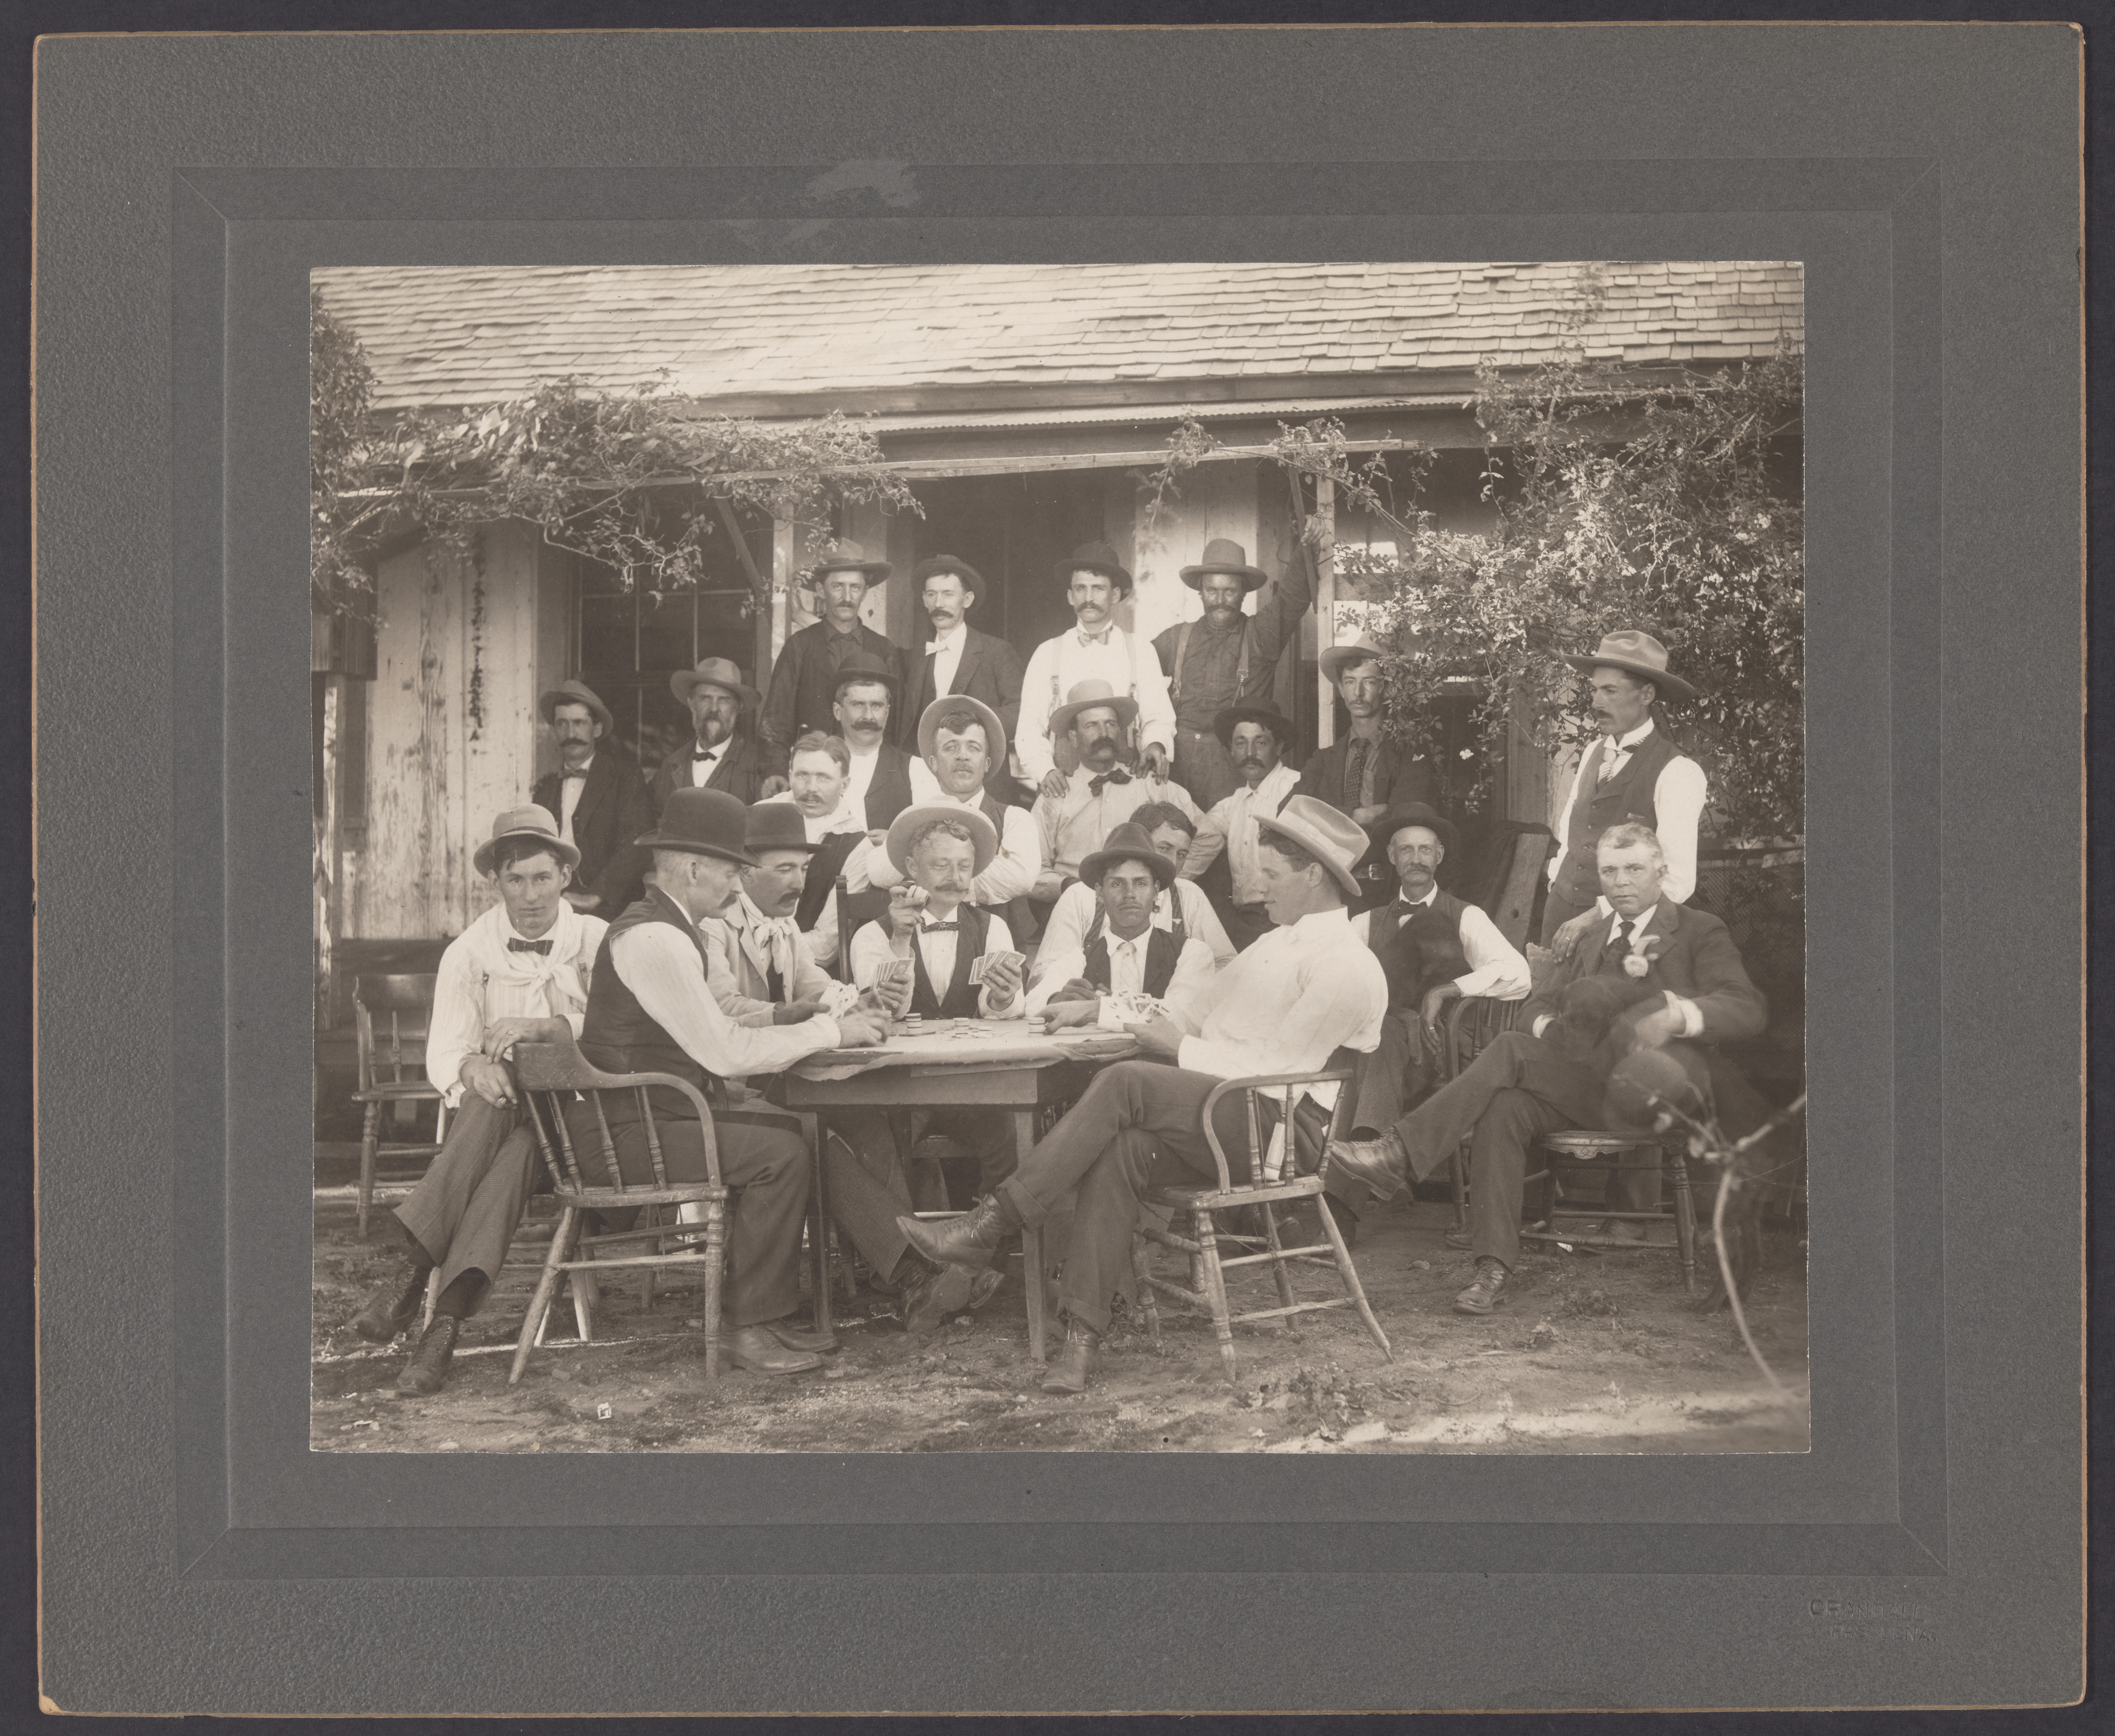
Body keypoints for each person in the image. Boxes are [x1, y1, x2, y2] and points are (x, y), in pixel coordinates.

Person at [897, 797, 1387, 1396]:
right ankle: (1080, 1340)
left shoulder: (1345, 964)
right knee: (1122, 1149)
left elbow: (1277, 1069)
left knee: (1128, 1081)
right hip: (1221, 1114)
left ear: (1314, 875)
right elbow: (1187, 1010)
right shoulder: (1273, 945)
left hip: (1278, 1131)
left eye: (1273, 875)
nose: (1258, 889)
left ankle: (989, 1225)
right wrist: (1104, 1008)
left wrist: (1179, 1049)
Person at [1323, 823, 1766, 1317]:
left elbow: (1745, 1007)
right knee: (1504, 1105)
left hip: (1659, 1090)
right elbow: (1536, 1003)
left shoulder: (1699, 929)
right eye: (1609, 871)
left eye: (1634, 869)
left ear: (1661, 871)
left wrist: (1678, 1015)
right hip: (1587, 1087)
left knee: (1510, 1049)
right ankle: (1492, 1268)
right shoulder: (1591, 937)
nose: (1621, 882)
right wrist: (1549, 1029)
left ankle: (1401, 1151)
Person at [574, 787, 891, 1373]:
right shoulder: (656, 938)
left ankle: (763, 1319)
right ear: (693, 868)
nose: (736, 886)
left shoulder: (674, 928)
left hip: (658, 1116)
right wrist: (832, 1035)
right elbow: (724, 1050)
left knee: (797, 1135)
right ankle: (746, 1329)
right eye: (729, 872)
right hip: (628, 1133)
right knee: (780, 1154)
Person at [701, 803, 991, 1333]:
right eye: (783, 869)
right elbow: (722, 1008)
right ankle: (912, 1270)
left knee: (871, 1119)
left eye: (802, 869)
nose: (797, 881)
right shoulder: (715, 928)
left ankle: (905, 1275)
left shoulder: (782, 927)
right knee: (816, 1137)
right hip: (730, 1088)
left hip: (783, 1076)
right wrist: (797, 1015)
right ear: (744, 870)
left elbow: (821, 988)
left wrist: (860, 998)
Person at [348, 806, 608, 1396]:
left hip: (584, 1123)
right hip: (511, 1128)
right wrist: (472, 1067)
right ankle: (443, 1327)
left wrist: (547, 1027)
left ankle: (413, 1274)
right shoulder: (469, 952)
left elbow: (622, 1033)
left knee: (508, 1130)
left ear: (565, 877)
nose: (531, 894)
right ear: (495, 882)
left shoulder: (597, 941)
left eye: (543, 878)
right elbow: (445, 1052)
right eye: (516, 880)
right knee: (498, 1125)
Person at [1326, 803, 1531, 1242]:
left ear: (1439, 857)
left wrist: (1446, 991)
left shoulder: (1466, 916)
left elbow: (1518, 973)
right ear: (1392, 859)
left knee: (1363, 1058)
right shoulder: (1364, 923)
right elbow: (1331, 972)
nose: (1415, 858)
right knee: (1366, 1046)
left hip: (1442, 1053)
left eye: (1424, 850)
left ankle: (1343, 1205)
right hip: (1384, 1045)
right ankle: (1372, 1167)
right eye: (1405, 851)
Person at [1540, 628, 1708, 953]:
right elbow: (1569, 837)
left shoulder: (1678, 772)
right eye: (1595, 691)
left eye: (1610, 691)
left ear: (1646, 695)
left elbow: (1676, 881)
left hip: (1623, 935)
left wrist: (1596, 916)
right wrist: (1555, 886)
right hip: (1559, 922)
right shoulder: (1592, 753)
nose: (1596, 702)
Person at [1152, 539, 1311, 809]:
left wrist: (1307, 547)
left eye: (1230, 591)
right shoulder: (1176, 638)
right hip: (1177, 764)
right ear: (1200, 592)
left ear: (1244, 592)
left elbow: (1292, 600)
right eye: (1212, 591)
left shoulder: (1261, 635)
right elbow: (1136, 676)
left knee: (1229, 839)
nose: (1220, 601)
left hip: (1234, 765)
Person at [1015, 541, 1177, 794]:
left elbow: (1159, 716)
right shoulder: (1047, 653)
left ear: (1115, 595)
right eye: (1081, 589)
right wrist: (1044, 770)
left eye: (1098, 589)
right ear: (1070, 596)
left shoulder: (1140, 650)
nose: (1088, 598)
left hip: (1129, 777)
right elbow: (1029, 727)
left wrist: (1156, 744)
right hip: (1065, 782)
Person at [1025, 822, 1219, 1031]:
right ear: (1099, 893)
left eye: (1140, 883)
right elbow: (1032, 1004)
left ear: (1156, 892)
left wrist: (1097, 1010)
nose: (1130, 894)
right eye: (1117, 884)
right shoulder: (1081, 958)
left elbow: (1182, 1015)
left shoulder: (1191, 952)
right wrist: (1056, 999)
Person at [1029, 680, 1202, 910]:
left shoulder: (1149, 784)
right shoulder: (1056, 795)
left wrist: (1167, 881)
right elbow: (1030, 871)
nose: (1104, 734)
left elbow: (1209, 837)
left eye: (1110, 724)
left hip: (1141, 911)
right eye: (1092, 726)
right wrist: (1069, 886)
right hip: (1076, 909)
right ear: (1073, 737)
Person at [881, 695, 1042, 914]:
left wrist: (930, 881)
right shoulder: (918, 817)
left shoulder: (1015, 818)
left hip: (997, 938)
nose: (963, 757)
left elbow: (1019, 876)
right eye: (951, 748)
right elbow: (879, 870)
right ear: (934, 763)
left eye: (974, 748)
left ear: (987, 763)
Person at [1034, 799, 1236, 970]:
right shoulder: (1080, 896)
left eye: (1182, 854)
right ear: (1138, 844)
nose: (1174, 864)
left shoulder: (1190, 896)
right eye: (1165, 848)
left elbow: (1227, 965)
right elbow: (1046, 970)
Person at [758, 541, 901, 784]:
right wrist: (775, 771)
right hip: (814, 772)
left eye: (855, 587)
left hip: (868, 771)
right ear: (821, 590)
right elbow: (776, 719)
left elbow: (895, 721)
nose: (847, 597)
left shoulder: (884, 649)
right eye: (837, 587)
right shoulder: (799, 646)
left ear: (865, 592)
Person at [896, 555, 1025, 801]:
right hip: (926, 782)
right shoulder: (913, 657)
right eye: (932, 595)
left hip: (983, 782)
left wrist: (972, 721)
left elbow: (1021, 711)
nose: (939, 603)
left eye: (948, 594)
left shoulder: (997, 651)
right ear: (924, 600)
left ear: (967, 600)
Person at [1178, 703, 1304, 951]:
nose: (1250, 753)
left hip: (1289, 922)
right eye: (1240, 743)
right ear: (1231, 751)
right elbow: (1198, 835)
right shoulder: (1232, 804)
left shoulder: (1296, 787)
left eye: (1261, 743)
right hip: (1246, 922)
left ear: (1279, 746)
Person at [756, 732, 884, 973]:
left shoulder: (857, 846)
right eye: (803, 775)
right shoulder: (759, 817)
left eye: (824, 778)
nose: (811, 788)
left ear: (844, 784)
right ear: (790, 774)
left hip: (808, 974)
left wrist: (757, 949)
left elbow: (826, 948)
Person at [527, 679, 652, 915]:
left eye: (579, 723)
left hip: (612, 906)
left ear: (597, 729)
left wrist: (597, 895)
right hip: (558, 905)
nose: (571, 733)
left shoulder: (625, 777)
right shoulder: (545, 789)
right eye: (562, 724)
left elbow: (639, 844)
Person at [1297, 633, 1437, 837]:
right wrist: (1357, 816)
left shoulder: (1411, 753)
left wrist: (1326, 817)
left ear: (1386, 688)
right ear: (1341, 689)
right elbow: (1290, 811)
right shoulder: (1323, 760)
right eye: (1351, 682)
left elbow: (1409, 818)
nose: (1358, 693)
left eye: (1369, 682)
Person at [652, 657, 765, 810]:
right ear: (692, 703)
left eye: (724, 700)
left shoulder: (758, 765)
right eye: (705, 698)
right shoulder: (671, 766)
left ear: (738, 707)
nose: (714, 709)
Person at [829, 652, 917, 834]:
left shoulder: (915, 770)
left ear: (887, 712)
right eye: (858, 704)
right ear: (838, 711)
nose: (868, 716)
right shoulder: (817, 765)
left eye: (877, 706)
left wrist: (895, 843)